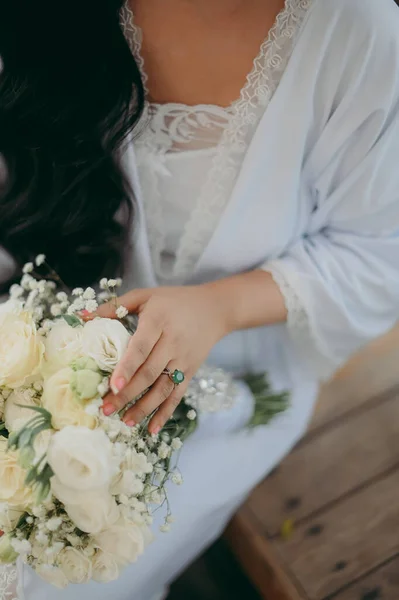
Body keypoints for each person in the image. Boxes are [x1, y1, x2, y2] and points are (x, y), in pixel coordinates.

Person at [1, 0, 399, 598]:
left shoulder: (361, 31)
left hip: (234, 376)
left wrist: (220, 307)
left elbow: (380, 254)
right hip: (41, 315)